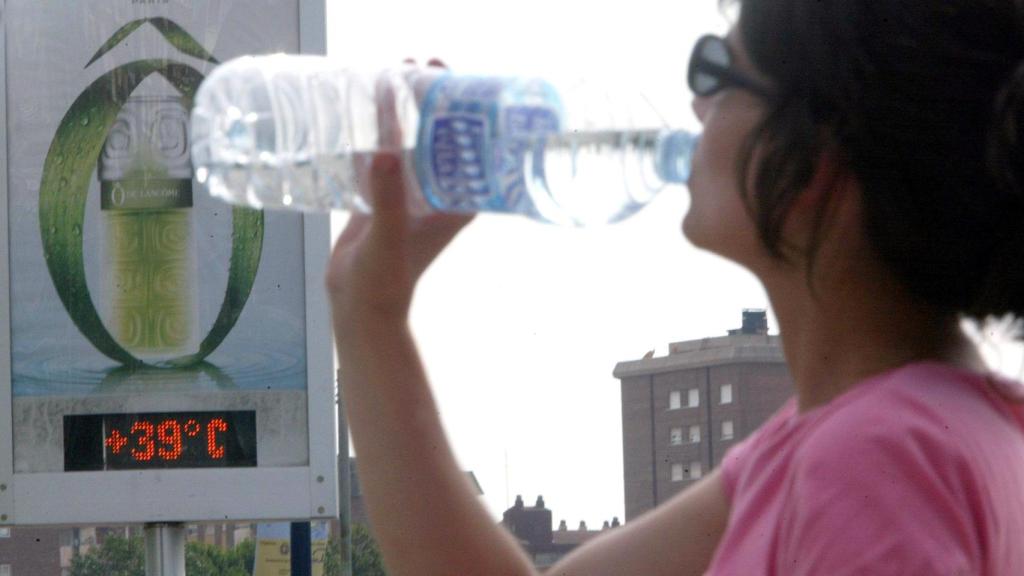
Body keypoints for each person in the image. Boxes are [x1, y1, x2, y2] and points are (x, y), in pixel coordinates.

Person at [325, 0, 1024, 574]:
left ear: (813, 158)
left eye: (719, 70)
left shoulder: (874, 462)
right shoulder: (888, 433)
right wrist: (368, 312)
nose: (695, 101)